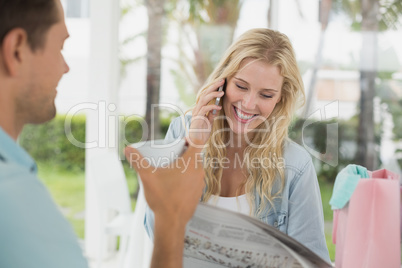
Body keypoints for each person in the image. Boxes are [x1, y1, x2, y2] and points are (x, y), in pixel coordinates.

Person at [0, 0, 202, 267]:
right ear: (17, 50)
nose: (65, 67)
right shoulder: (13, 200)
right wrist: (171, 219)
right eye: (60, 47)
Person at [143, 28, 331, 263]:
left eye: (266, 95)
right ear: (222, 82)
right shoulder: (182, 133)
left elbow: (311, 261)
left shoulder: (295, 165)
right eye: (241, 86)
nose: (249, 103)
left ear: (280, 97)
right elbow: (157, 232)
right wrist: (194, 147)